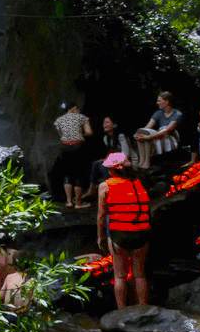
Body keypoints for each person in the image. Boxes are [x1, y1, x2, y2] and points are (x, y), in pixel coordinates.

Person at [96, 152, 151, 308]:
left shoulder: (105, 186)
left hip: (120, 236)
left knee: (119, 276)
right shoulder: (139, 182)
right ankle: (143, 307)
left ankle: (121, 312)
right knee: (139, 274)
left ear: (113, 170)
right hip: (142, 234)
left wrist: (100, 237)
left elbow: (101, 216)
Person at [52, 100, 93, 208]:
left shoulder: (58, 120)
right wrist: (80, 133)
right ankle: (78, 203)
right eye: (77, 109)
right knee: (78, 174)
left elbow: (61, 134)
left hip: (64, 148)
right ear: (74, 108)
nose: (78, 110)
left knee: (67, 174)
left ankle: (69, 201)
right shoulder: (82, 117)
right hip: (77, 147)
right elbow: (89, 132)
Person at [135, 91, 184, 169]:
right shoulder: (158, 113)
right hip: (160, 136)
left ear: (167, 101)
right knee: (141, 132)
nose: (157, 103)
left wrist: (149, 137)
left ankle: (147, 161)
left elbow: (167, 130)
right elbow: (147, 127)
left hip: (171, 139)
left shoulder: (177, 114)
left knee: (151, 133)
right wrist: (139, 134)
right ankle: (142, 160)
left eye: (159, 101)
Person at [88, 115, 136, 193]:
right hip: (116, 161)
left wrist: (109, 161)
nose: (104, 125)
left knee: (103, 165)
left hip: (128, 160)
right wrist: (107, 160)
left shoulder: (120, 136)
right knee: (96, 163)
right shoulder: (106, 138)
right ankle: (92, 188)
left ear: (114, 125)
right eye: (104, 123)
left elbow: (125, 154)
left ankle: (111, 188)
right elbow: (111, 153)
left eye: (107, 122)